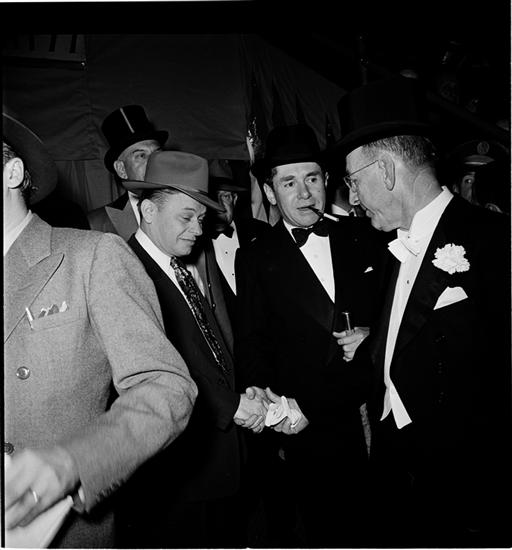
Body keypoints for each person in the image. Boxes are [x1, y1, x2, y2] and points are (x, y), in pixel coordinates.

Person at [3, 112, 197, 548]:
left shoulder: (91, 257)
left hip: (57, 532)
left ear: (12, 173)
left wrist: (74, 462)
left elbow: (166, 387)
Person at [333, 76, 511, 547]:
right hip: (398, 476)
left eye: (353, 181)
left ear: (385, 170)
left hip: (465, 492)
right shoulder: (393, 246)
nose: (353, 198)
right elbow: (400, 348)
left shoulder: (496, 243)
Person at [234, 124, 386, 547]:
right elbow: (252, 341)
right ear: (269, 192)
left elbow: (397, 312)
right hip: (309, 427)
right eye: (289, 182)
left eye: (312, 178)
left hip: (376, 412)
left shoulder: (366, 236)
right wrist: (269, 405)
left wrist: (373, 333)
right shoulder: (255, 257)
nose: (304, 194)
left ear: (327, 180)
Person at [114, 150, 268, 548]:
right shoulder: (125, 271)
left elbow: (209, 350)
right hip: (179, 474)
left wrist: (242, 393)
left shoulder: (178, 264)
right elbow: (160, 370)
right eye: (186, 217)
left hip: (218, 463)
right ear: (148, 210)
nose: (198, 230)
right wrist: (232, 406)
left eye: (200, 218)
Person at [203, 159, 271, 325]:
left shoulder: (262, 232)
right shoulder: (194, 242)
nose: (218, 205)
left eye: (225, 196)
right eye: (212, 197)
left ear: (234, 199)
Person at [87, 104, 168, 239]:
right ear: (121, 169)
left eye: (157, 154)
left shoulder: (190, 209)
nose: (154, 162)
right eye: (141, 156)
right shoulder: (98, 223)